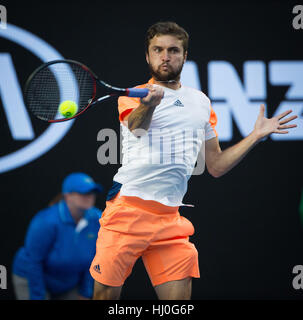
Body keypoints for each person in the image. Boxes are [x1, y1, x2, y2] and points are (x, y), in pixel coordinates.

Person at [89, 21, 298, 300]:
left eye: (174, 50)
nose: (166, 56)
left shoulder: (200, 102)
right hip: (127, 212)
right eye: (158, 50)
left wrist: (255, 136)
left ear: (184, 56)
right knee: (104, 297)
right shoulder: (133, 96)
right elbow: (137, 128)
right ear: (148, 56)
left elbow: (216, 165)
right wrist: (149, 104)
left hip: (170, 220)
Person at [12, 172, 104, 300]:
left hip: (69, 282)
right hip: (31, 278)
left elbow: (95, 259)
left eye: (92, 192)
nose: (89, 197)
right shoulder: (45, 221)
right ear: (67, 196)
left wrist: (85, 292)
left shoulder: (99, 220)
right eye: (83, 192)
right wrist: (38, 297)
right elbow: (34, 262)